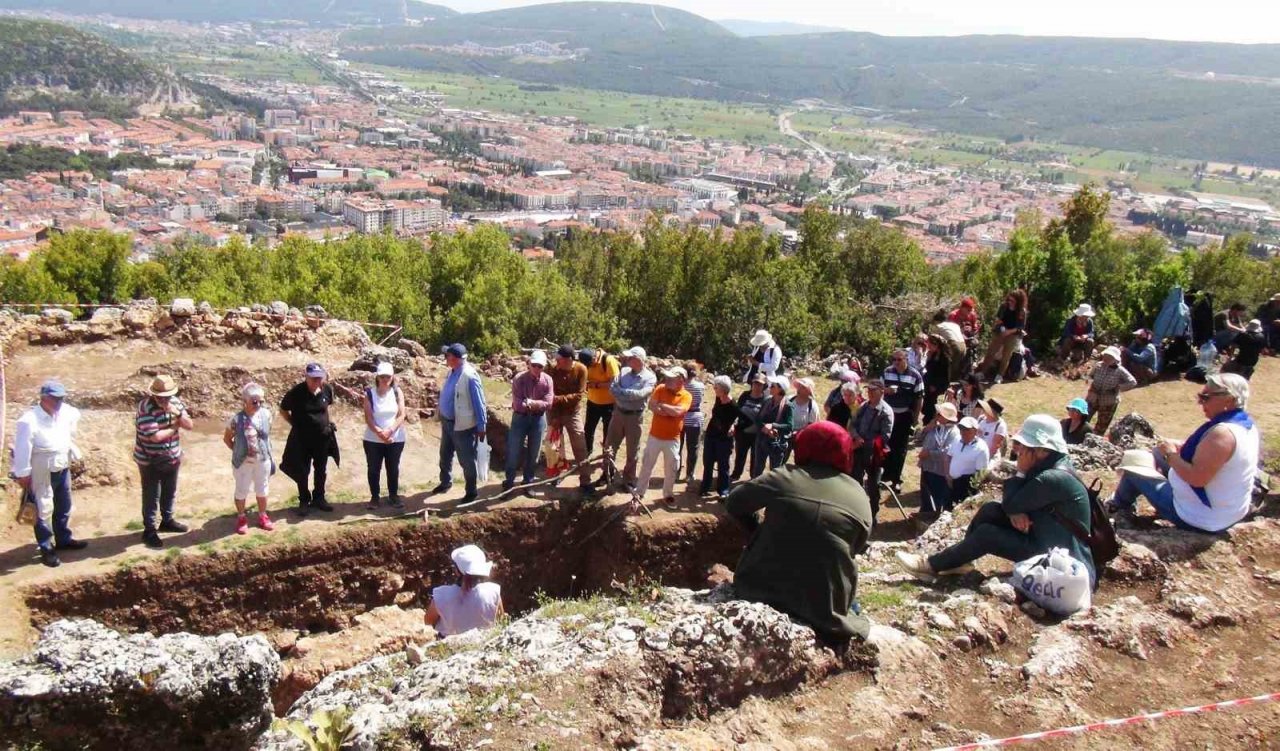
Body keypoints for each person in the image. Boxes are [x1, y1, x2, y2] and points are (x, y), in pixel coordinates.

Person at [896, 414, 1095, 586]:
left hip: (1063, 564)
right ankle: (959, 561)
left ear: (1042, 450)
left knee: (988, 535)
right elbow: (1011, 501)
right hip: (1046, 539)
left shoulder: (1052, 478)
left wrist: (1020, 474)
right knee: (991, 509)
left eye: (1025, 446)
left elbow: (1011, 500)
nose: (1018, 451)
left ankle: (931, 565)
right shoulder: (1051, 466)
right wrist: (1015, 508)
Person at [726, 421, 872, 644]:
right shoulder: (859, 495)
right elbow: (858, 545)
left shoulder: (784, 477)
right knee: (852, 600)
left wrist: (757, 529)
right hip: (826, 608)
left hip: (760, 587)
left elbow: (734, 502)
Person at [1107, 374, 1260, 533]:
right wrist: (1174, 450)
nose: (1200, 402)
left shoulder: (1222, 434)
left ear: (1229, 399)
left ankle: (1118, 506)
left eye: (1205, 397)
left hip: (1200, 517)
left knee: (1134, 466)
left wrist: (1171, 455)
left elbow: (1196, 479)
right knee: (1157, 453)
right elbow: (1212, 455)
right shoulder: (1244, 426)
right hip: (1227, 511)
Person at [13, 380, 87, 568]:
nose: (58, 402)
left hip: (61, 465)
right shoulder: (29, 420)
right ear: (44, 398)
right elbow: (22, 448)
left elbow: (75, 416)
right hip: (41, 468)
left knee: (64, 503)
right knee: (43, 507)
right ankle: (46, 546)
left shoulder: (65, 413)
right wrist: (23, 473)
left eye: (60, 399)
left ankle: (63, 538)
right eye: (54, 399)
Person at [134, 374, 194, 549]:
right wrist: (175, 426)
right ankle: (150, 529)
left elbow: (189, 425)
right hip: (149, 460)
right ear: (154, 395)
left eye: (167, 396)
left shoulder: (175, 403)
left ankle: (167, 520)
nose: (164, 400)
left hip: (172, 456)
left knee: (169, 490)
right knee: (151, 495)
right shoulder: (145, 408)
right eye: (161, 397)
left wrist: (175, 413)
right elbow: (155, 437)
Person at [281, 363, 339, 518]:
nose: (316, 381)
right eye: (313, 378)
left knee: (321, 469)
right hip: (302, 438)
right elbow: (283, 409)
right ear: (306, 377)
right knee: (302, 470)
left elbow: (327, 408)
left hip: (322, 438)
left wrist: (326, 423)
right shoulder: (296, 392)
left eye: (319, 378)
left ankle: (319, 498)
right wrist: (294, 423)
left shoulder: (327, 390)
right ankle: (304, 500)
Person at [432, 344, 487, 506]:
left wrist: (481, 426)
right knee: (445, 454)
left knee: (467, 460)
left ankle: (471, 491)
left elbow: (479, 402)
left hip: (462, 426)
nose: (445, 358)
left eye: (447, 356)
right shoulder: (452, 371)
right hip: (447, 422)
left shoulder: (470, 376)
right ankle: (445, 482)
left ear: (454, 358)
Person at [634, 366, 693, 507]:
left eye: (671, 378)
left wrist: (663, 406)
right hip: (655, 436)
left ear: (680, 380)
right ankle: (640, 492)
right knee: (647, 464)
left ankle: (668, 494)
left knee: (671, 469)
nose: (667, 380)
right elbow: (651, 406)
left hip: (673, 439)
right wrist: (668, 410)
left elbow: (679, 411)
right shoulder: (660, 388)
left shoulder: (686, 396)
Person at [599, 347, 656, 492]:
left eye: (630, 358)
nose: (627, 360)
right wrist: (627, 394)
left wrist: (622, 393)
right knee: (609, 446)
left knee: (632, 450)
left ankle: (629, 480)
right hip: (618, 413)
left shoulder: (649, 377)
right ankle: (606, 475)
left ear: (638, 359)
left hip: (635, 417)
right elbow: (612, 388)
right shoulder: (623, 371)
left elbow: (641, 394)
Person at [223, 383, 276, 535]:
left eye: (260, 401)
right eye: (254, 402)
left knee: (262, 488)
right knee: (242, 490)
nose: (258, 404)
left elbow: (266, 435)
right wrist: (238, 451)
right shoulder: (236, 420)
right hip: (243, 463)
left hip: (262, 460)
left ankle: (262, 515)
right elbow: (227, 439)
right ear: (244, 401)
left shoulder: (266, 415)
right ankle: (241, 517)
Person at [425, 544, 505, 637]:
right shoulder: (493, 591)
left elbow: (428, 621)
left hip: (449, 643)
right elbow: (501, 620)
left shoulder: (441, 594)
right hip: (484, 642)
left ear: (456, 571)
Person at [505, 350, 553, 492]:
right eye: (534, 365)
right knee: (513, 451)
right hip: (520, 418)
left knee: (534, 452)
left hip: (538, 419)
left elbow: (549, 403)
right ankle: (509, 482)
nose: (537, 368)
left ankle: (528, 482)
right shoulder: (519, 379)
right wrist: (537, 403)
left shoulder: (548, 380)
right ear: (529, 364)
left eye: (540, 366)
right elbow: (518, 404)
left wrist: (531, 403)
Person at [362, 362, 408, 510]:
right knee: (373, 469)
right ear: (377, 377)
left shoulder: (397, 392)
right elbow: (368, 417)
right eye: (382, 376)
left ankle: (393, 495)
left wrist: (390, 431)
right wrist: (379, 432)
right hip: (373, 439)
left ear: (392, 376)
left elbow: (401, 414)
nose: (385, 379)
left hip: (395, 438)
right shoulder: (369, 393)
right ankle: (374, 497)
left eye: (387, 376)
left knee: (393, 468)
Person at [881, 348, 925, 494]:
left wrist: (915, 418)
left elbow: (919, 397)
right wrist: (886, 391)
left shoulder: (915, 375)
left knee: (900, 449)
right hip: (888, 414)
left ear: (906, 359)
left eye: (899, 360)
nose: (896, 363)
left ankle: (896, 479)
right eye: (894, 360)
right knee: (886, 444)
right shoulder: (887, 372)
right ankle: (884, 475)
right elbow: (879, 389)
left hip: (905, 414)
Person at [849, 380, 894, 520]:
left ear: (881, 391)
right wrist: (856, 438)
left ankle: (872, 513)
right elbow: (853, 424)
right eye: (868, 390)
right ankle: (856, 510)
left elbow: (885, 436)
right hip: (859, 449)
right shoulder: (863, 406)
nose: (870, 393)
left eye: (873, 390)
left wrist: (866, 443)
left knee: (873, 485)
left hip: (874, 453)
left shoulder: (886, 412)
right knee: (855, 480)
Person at [548, 344, 590, 490]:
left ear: (568, 360)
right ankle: (557, 475)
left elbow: (579, 395)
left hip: (573, 412)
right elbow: (548, 393)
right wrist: (553, 413)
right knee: (555, 445)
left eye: (559, 359)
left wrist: (558, 399)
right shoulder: (552, 370)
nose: (557, 362)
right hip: (555, 412)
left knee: (580, 444)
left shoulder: (581, 369)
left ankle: (585, 480)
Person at [917, 402, 959, 519]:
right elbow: (918, 438)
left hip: (940, 471)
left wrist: (929, 453)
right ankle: (924, 514)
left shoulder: (954, 433)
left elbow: (946, 452)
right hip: (927, 467)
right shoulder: (935, 427)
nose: (936, 416)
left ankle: (933, 517)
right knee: (926, 493)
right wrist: (926, 429)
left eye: (939, 414)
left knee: (937, 496)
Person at [700, 375, 739, 499]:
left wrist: (734, 426)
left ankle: (723, 490)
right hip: (711, 435)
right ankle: (705, 487)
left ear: (723, 389)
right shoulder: (718, 399)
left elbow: (742, 421)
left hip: (723, 439)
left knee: (723, 465)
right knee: (708, 462)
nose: (714, 388)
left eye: (716, 387)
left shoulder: (733, 405)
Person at [1085, 346, 1137, 437]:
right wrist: (1090, 385)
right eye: (1105, 356)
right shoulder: (1098, 365)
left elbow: (1132, 382)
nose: (1106, 358)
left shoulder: (1120, 370)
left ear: (1115, 359)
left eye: (1109, 357)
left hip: (1108, 401)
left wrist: (1118, 387)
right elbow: (1090, 376)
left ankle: (1095, 439)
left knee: (1102, 425)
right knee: (1084, 418)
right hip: (1093, 397)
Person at [980, 289, 1029, 384]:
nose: (1010, 302)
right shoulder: (1004, 306)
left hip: (1013, 334)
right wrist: (1002, 329)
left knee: (1006, 356)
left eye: (1013, 301)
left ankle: (1000, 375)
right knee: (991, 352)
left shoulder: (1022, 312)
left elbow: (1020, 327)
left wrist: (1009, 332)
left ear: (1018, 301)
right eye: (1009, 300)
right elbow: (998, 320)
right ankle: (982, 372)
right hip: (1000, 331)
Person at [579, 348, 620, 454]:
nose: (590, 366)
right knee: (588, 430)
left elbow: (615, 383)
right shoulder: (586, 362)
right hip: (592, 402)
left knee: (608, 432)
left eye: (591, 363)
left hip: (609, 404)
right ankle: (587, 452)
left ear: (594, 357)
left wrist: (597, 385)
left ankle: (606, 456)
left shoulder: (608, 360)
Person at [752, 376, 795, 477]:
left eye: (773, 386)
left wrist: (773, 426)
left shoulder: (788, 405)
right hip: (762, 440)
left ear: (780, 389)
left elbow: (789, 426)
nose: (770, 387)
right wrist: (765, 428)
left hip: (777, 444)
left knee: (775, 471)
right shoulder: (767, 400)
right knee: (758, 467)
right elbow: (757, 419)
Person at [731, 373, 769, 480]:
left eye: (760, 384)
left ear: (764, 386)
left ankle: (753, 477)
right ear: (752, 383)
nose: (757, 386)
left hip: (757, 434)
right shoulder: (745, 395)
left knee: (755, 456)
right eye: (755, 383)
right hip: (743, 432)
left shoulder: (766, 399)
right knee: (740, 455)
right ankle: (736, 474)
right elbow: (737, 410)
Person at [948, 416, 990, 507]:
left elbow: (980, 474)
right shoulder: (957, 439)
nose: (963, 432)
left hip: (966, 485)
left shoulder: (981, 448)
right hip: (950, 481)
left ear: (975, 431)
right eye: (962, 429)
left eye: (967, 430)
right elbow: (948, 457)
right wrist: (947, 476)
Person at [679, 361, 706, 482]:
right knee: (693, 448)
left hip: (680, 417)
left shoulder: (680, 385)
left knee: (677, 448)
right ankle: (690, 474)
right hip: (695, 418)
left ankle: (675, 472)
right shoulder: (700, 386)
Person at [921, 335, 950, 425]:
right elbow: (928, 368)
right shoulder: (932, 354)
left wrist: (936, 385)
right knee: (926, 403)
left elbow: (945, 375)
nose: (928, 347)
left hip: (937, 385)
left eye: (930, 344)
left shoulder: (945, 358)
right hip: (928, 382)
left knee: (931, 404)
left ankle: (930, 421)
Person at [930, 312, 968, 381]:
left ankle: (944, 382)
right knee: (955, 366)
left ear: (937, 321)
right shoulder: (955, 325)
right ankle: (954, 381)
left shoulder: (939, 326)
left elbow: (934, 340)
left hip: (954, 345)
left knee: (947, 365)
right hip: (963, 345)